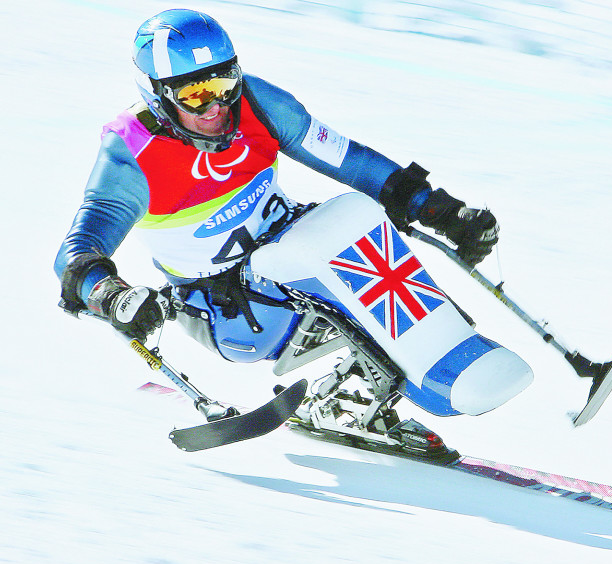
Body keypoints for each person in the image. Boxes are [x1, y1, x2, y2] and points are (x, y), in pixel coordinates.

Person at [54, 9, 528, 421]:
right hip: (233, 311)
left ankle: (450, 354)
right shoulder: (132, 155)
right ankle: (438, 379)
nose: (218, 107)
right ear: (157, 95)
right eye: (197, 95)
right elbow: (76, 255)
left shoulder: (257, 103)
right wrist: (110, 294)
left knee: (358, 213)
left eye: (223, 84)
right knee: (322, 245)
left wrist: (439, 210)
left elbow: (349, 161)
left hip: (289, 251)